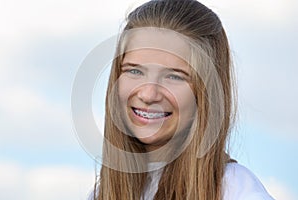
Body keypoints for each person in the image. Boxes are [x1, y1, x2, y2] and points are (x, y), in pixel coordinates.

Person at [93, 0, 275, 199]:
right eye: (135, 71)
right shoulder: (101, 193)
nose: (148, 94)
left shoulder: (236, 190)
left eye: (174, 76)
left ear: (206, 93)